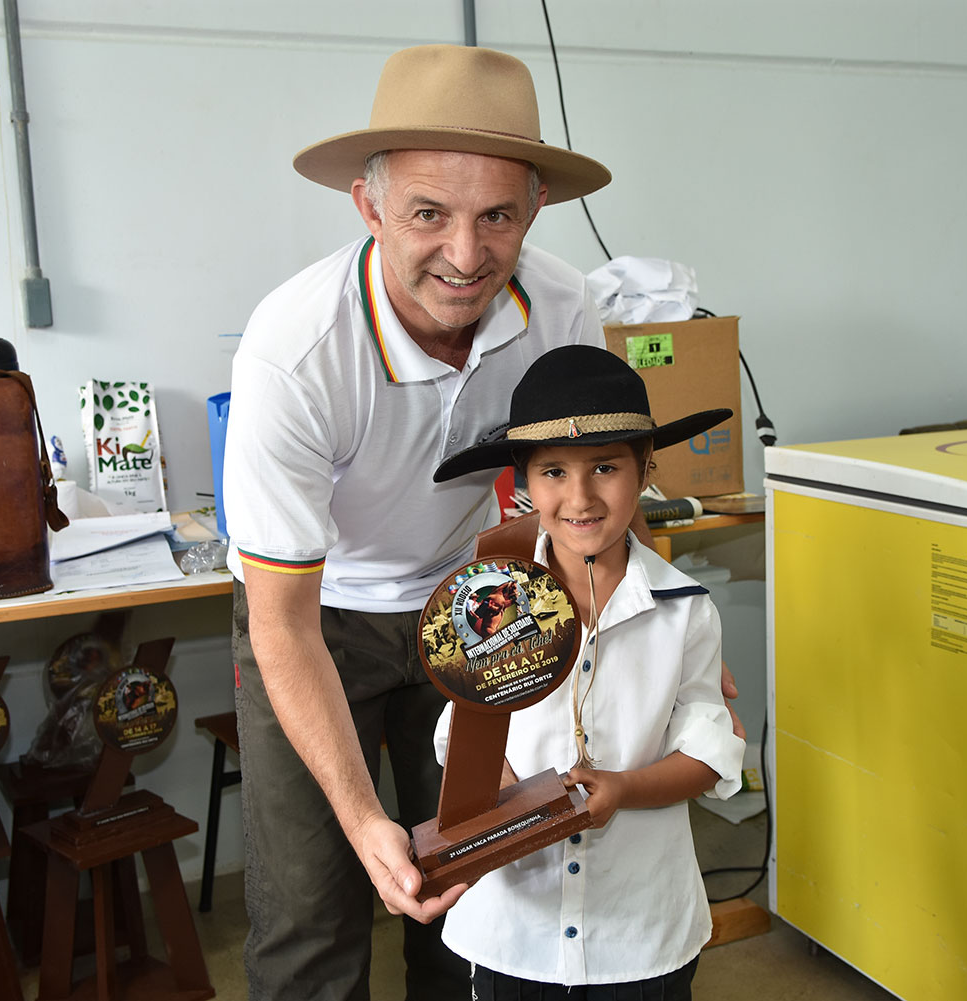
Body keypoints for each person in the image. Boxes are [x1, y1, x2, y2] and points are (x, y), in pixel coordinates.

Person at [222, 44, 615, 1001]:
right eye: (429, 214)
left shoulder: (566, 311)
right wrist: (362, 820)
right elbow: (281, 621)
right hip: (319, 620)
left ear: (535, 211)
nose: (466, 255)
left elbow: (588, 509)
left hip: (469, 600)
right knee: (318, 909)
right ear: (369, 207)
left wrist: (658, 640)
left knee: (469, 883)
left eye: (499, 217)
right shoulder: (296, 351)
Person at [430, 344, 747, 998]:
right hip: (515, 931)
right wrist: (505, 797)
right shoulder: (488, 603)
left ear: (645, 469)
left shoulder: (685, 614)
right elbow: (459, 735)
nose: (580, 497)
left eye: (605, 467)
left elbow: (711, 750)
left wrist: (623, 789)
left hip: (640, 933)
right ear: (523, 483)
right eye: (553, 472)